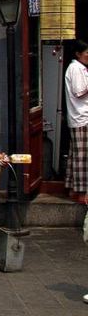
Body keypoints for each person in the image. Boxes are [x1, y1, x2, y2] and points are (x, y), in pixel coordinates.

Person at [65, 39, 88, 204]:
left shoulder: (78, 68)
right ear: (78, 54)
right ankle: (81, 193)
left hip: (79, 116)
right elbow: (79, 91)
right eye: (87, 53)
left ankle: (73, 188)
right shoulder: (76, 68)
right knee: (82, 157)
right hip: (81, 117)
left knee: (76, 155)